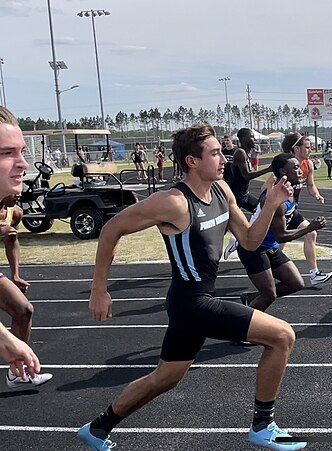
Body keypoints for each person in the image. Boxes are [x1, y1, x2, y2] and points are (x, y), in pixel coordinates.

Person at [77, 124, 306, 450]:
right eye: (214, 153)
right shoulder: (173, 202)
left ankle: (98, 428)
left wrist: (270, 205)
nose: (223, 158)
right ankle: (262, 425)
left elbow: (250, 241)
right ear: (192, 161)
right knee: (283, 337)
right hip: (192, 303)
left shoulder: (223, 191)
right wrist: (99, 288)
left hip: (198, 301)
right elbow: (112, 227)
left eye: (221, 152)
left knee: (165, 378)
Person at [0, 106, 52, 389]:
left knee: (23, 311)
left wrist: (15, 273)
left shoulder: (13, 211)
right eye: (7, 153)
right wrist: (5, 338)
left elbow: (13, 240)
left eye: (21, 152)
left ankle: (16, 372)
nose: (23, 164)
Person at [237, 153, 326, 311]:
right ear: (284, 172)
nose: (300, 171)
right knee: (269, 294)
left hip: (269, 246)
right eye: (296, 168)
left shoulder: (287, 190)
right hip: (253, 248)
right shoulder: (277, 200)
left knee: (296, 283)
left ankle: (251, 299)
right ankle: (243, 328)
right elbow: (281, 235)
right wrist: (310, 228)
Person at [282, 133, 332, 285]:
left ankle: (314, 274)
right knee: (278, 244)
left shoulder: (308, 165)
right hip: (280, 212)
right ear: (297, 149)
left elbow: (310, 186)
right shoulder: (285, 165)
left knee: (311, 233)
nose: (310, 150)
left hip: (293, 210)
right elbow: (268, 187)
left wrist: (317, 195)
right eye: (307, 147)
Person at [224, 128, 273, 213]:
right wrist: (268, 169)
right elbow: (246, 176)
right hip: (236, 197)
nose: (255, 139)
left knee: (262, 211)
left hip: (244, 195)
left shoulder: (247, 153)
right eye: (252, 137)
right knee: (235, 223)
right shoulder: (240, 153)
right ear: (243, 139)